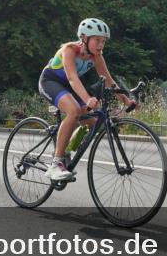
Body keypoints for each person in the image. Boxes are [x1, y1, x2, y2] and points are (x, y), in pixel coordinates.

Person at [38, 18, 130, 181]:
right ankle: (55, 164)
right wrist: (87, 99)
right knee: (74, 111)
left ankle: (66, 149)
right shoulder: (69, 50)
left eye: (103, 41)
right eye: (97, 40)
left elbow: (109, 80)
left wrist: (126, 100)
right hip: (50, 81)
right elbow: (72, 78)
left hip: (69, 87)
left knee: (93, 122)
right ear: (84, 38)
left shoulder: (97, 56)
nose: (101, 45)